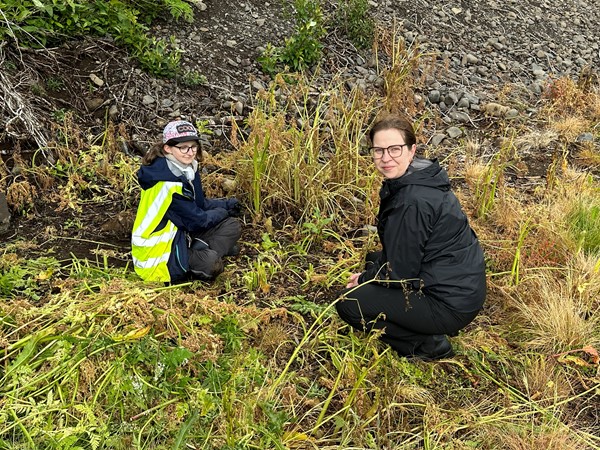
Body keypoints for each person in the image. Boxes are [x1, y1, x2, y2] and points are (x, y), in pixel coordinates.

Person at [336, 114, 486, 361]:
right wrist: (373, 273)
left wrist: (364, 280)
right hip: (461, 288)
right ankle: (424, 325)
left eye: (394, 149)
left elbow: (400, 275)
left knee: (349, 303)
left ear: (411, 149)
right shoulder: (420, 177)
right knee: (374, 259)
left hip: (449, 304)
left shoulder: (412, 202)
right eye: (378, 150)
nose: (386, 158)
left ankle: (427, 345)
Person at [131, 120, 241, 283]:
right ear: (167, 148)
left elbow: (199, 205)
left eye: (193, 146)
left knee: (233, 225)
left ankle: (199, 249)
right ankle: (202, 254)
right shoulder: (167, 182)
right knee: (211, 264)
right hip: (158, 258)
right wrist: (223, 211)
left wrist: (227, 205)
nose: (190, 152)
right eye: (183, 147)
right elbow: (198, 220)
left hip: (180, 233)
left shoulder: (185, 168)